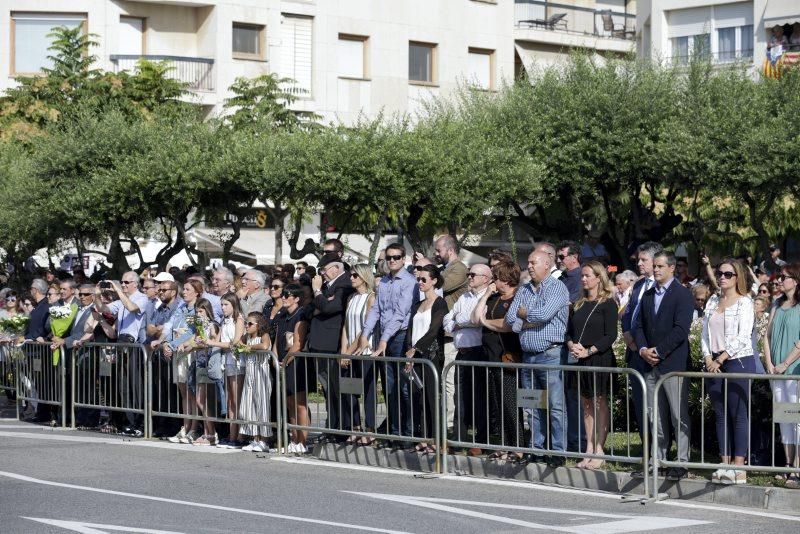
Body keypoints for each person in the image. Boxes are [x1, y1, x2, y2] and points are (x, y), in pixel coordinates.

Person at [633, 250, 694, 481]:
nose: (656, 270)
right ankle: (658, 458)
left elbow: (681, 329)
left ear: (671, 268)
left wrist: (659, 351)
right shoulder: (648, 294)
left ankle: (681, 461)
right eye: (655, 266)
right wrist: (643, 350)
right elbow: (638, 326)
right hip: (650, 364)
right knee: (655, 415)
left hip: (673, 364)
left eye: (660, 266)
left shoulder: (682, 294)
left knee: (678, 415)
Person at [506, 250, 570, 467]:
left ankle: (558, 451)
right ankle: (537, 449)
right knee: (532, 406)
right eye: (529, 262)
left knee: (555, 406)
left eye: (534, 262)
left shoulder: (557, 287)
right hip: (528, 357)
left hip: (550, 355)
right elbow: (511, 319)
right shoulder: (524, 289)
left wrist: (526, 316)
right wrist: (529, 318)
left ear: (547, 264)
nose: (529, 265)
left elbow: (544, 315)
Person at [701, 258, 756, 485]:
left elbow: (744, 336)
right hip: (714, 360)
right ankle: (724, 464)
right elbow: (705, 332)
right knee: (721, 414)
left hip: (738, 360)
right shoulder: (713, 300)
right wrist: (707, 357)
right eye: (720, 273)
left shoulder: (745, 303)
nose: (722, 277)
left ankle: (739, 466)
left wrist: (722, 358)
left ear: (738, 278)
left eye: (728, 274)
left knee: (738, 414)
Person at [359, 243, 418, 443]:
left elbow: (401, 314)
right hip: (385, 336)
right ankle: (394, 432)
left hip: (400, 336)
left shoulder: (410, 282)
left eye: (396, 257)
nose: (392, 260)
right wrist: (365, 334)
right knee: (389, 388)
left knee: (403, 388)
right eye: (389, 257)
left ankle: (408, 435)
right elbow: (377, 310)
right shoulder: (383, 282)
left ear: (404, 259)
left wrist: (383, 339)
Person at [566, 261, 618, 469]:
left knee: (599, 403)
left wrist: (589, 350)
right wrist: (572, 346)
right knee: (586, 404)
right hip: (579, 356)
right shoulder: (578, 303)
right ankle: (588, 447)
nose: (584, 279)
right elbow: (568, 331)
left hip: (599, 356)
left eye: (588, 275)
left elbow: (610, 335)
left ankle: (599, 449)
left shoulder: (608, 303)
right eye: (583, 276)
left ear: (599, 278)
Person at [474, 261, 523, 461]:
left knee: (510, 403)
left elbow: (507, 324)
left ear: (506, 279)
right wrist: (485, 294)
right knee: (497, 403)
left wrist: (487, 322)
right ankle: (504, 444)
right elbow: (476, 318)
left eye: (496, 277)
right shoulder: (494, 298)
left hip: (508, 356)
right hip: (490, 356)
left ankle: (518, 445)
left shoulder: (516, 298)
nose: (493, 281)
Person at [444, 263, 492, 455]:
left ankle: (481, 440)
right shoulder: (464, 297)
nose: (469, 277)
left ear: (486, 278)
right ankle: (459, 437)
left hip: (478, 350)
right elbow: (447, 322)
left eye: (473, 275)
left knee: (479, 398)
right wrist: (462, 321)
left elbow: (477, 319)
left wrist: (459, 321)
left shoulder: (488, 296)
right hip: (461, 351)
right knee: (459, 397)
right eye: (468, 274)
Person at [308, 252, 355, 441]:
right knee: (329, 390)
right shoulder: (330, 285)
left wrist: (318, 292)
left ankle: (341, 428)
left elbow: (330, 307)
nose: (322, 274)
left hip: (333, 344)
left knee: (337, 390)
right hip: (322, 344)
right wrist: (320, 300)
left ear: (336, 268)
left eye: (324, 270)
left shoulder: (344, 283)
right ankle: (333, 426)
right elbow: (313, 308)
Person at [763, 263, 800, 488]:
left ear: (795, 280)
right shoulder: (776, 305)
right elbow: (766, 336)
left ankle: (797, 467)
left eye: (783, 277)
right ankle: (788, 465)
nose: (779, 281)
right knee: (785, 418)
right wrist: (769, 363)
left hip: (795, 372)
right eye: (778, 277)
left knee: (797, 420)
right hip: (776, 371)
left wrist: (786, 363)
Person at [405, 264, 447, 453]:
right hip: (415, 357)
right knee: (419, 399)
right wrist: (409, 351)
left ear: (434, 281)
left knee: (431, 398)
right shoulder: (417, 304)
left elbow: (434, 330)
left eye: (424, 279)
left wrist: (416, 348)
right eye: (418, 279)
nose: (420, 282)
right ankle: (424, 438)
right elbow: (410, 330)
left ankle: (436, 440)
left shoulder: (439, 303)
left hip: (430, 355)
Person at [160, 279, 205, 444]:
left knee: (191, 392)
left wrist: (173, 344)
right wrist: (167, 343)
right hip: (177, 351)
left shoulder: (197, 309)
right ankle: (185, 426)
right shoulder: (181, 308)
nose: (183, 292)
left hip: (188, 352)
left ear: (197, 292)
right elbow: (173, 328)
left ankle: (194, 427)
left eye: (187, 289)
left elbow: (192, 332)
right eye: (183, 289)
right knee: (183, 391)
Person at [200, 292, 245, 448]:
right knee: (230, 400)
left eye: (226, 305)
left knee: (236, 400)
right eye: (222, 305)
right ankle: (232, 434)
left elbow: (235, 342)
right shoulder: (224, 320)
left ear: (234, 305)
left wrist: (212, 342)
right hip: (226, 362)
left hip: (237, 362)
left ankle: (238, 435)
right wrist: (205, 340)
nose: (223, 308)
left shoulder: (239, 320)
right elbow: (216, 340)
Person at [434, 235, 469, 432]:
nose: (435, 254)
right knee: (442, 382)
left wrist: (426, 270)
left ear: (450, 249)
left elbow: (439, 286)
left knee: (449, 382)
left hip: (453, 335)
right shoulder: (443, 269)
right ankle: (442, 422)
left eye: (438, 250)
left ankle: (449, 426)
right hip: (441, 333)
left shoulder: (459, 269)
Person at [340, 264, 377, 444]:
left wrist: (349, 351)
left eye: (355, 275)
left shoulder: (371, 298)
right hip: (349, 352)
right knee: (350, 389)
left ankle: (370, 429)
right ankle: (355, 428)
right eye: (351, 275)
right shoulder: (351, 298)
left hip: (365, 351)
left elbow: (365, 328)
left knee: (369, 391)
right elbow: (346, 327)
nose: (352, 278)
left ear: (364, 276)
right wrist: (343, 351)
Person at [276, 284, 312, 453]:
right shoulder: (282, 315)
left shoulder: (301, 315)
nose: (283, 297)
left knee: (300, 404)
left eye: (287, 295)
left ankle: (303, 441)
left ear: (296, 298)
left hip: (296, 363)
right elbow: (276, 339)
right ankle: (294, 438)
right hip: (282, 362)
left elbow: (298, 343)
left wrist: (286, 359)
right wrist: (276, 359)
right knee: (289, 403)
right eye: (283, 294)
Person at [238, 311, 273, 453]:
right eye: (246, 323)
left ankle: (264, 440)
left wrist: (249, 347)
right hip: (250, 374)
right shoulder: (247, 337)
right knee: (249, 406)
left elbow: (264, 346)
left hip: (261, 373)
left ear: (258, 325)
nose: (247, 326)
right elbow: (237, 343)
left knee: (262, 407)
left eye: (250, 323)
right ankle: (255, 438)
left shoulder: (263, 335)